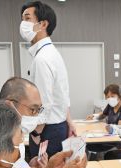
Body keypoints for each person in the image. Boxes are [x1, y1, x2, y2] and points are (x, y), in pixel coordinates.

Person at [0, 77, 114, 168]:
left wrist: (30, 167)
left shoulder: (14, 131)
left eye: (39, 110)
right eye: (33, 110)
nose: (36, 116)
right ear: (10, 105)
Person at [20, 1, 75, 158]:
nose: (23, 24)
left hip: (47, 130)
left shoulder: (42, 59)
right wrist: (69, 122)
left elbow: (44, 103)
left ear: (43, 24)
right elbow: (63, 94)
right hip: (58, 125)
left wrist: (36, 133)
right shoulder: (52, 53)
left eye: (27, 18)